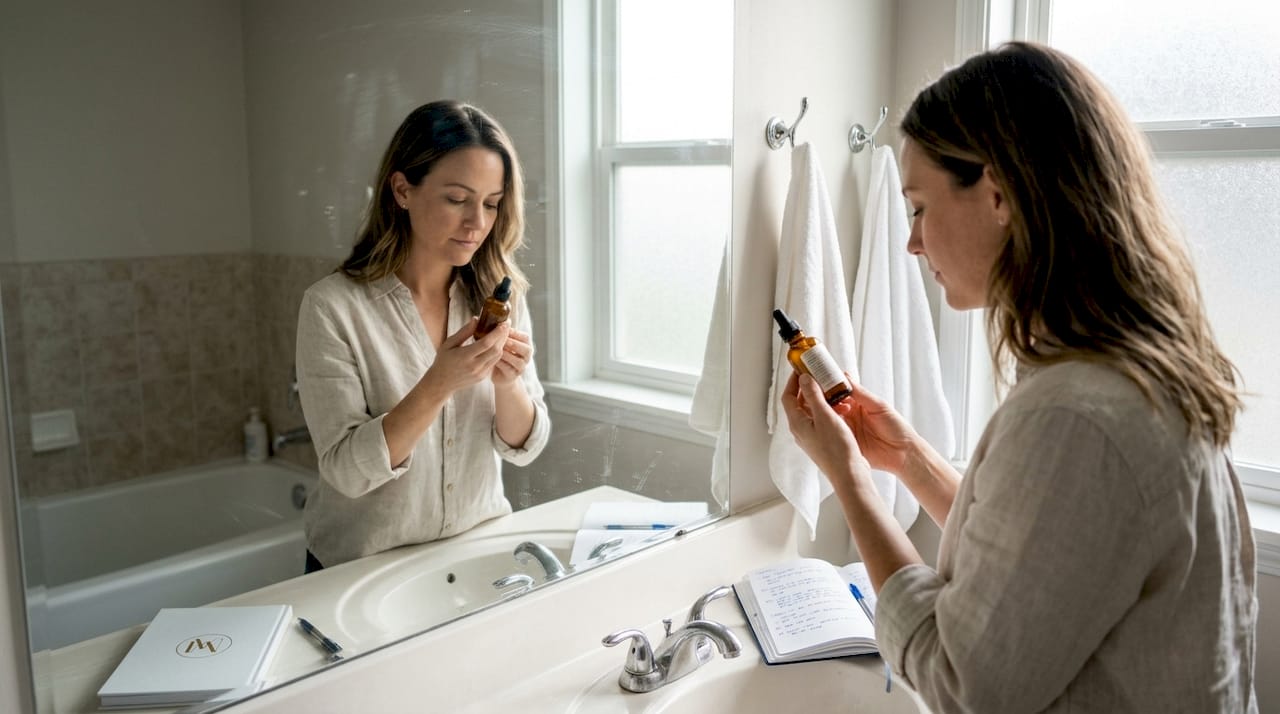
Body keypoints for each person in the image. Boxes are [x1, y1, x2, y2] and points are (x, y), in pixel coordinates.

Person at [781, 43, 1257, 712]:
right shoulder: (1125, 368)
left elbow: (962, 683)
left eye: (918, 207)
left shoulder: (1074, 416)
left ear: (999, 193)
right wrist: (908, 458)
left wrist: (850, 481)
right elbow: (1045, 564)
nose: (911, 242)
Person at [295, 100, 550, 571]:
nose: (477, 223)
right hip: (360, 570)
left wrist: (508, 383)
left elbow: (525, 446)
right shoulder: (332, 308)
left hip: (473, 558)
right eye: (457, 199)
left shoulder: (499, 297)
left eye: (491, 204)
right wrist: (438, 384)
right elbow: (346, 472)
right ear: (402, 190)